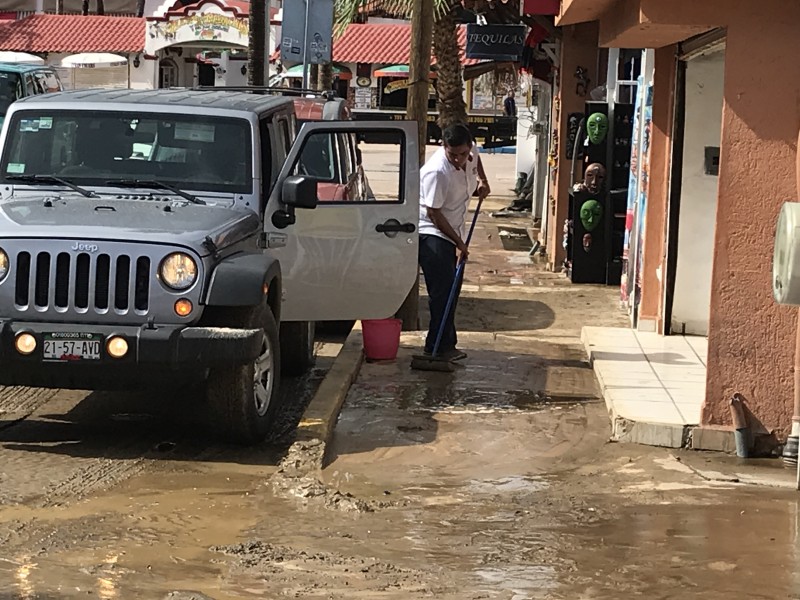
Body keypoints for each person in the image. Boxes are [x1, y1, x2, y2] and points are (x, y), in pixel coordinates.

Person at [418, 124, 490, 362]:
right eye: (452, 155)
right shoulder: (437, 172)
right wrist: (459, 243)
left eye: (462, 154)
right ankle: (435, 347)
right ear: (444, 147)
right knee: (442, 292)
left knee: (453, 289)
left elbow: (476, 161)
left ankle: (447, 344)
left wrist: (482, 180)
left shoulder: (471, 153)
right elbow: (434, 214)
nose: (458, 159)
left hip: (455, 228)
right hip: (432, 233)